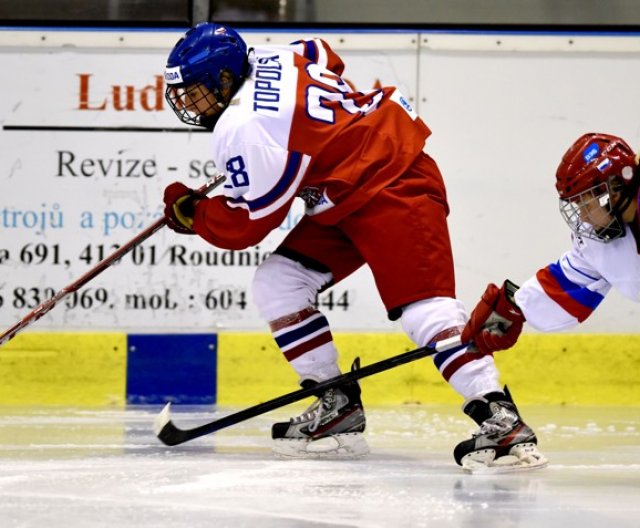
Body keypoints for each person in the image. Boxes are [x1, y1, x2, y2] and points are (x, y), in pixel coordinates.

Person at [161, 22, 546, 470]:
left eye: (196, 90)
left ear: (225, 78)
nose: (187, 101)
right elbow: (324, 55)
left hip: (395, 185)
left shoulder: (241, 125)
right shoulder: (271, 55)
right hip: (344, 192)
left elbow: (247, 225)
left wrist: (192, 214)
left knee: (425, 311)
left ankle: (501, 419)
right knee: (279, 283)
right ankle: (336, 403)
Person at [462, 132, 640, 384]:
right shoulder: (599, 236)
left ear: (615, 187)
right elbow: (572, 280)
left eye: (586, 204)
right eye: (576, 205)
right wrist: (515, 308)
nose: (584, 217)